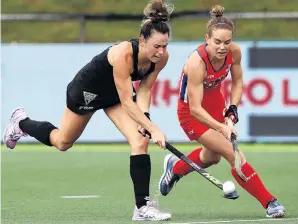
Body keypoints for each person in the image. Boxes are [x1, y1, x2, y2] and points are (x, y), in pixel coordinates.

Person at [3, 0, 174, 221]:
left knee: (139, 141)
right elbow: (127, 101)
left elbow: (144, 90)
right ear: (142, 41)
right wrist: (153, 128)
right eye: (156, 46)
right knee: (63, 142)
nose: (161, 52)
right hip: (87, 90)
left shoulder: (160, 59)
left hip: (113, 95)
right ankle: (21, 123)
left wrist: (146, 120)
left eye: (165, 46)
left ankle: (142, 207)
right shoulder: (124, 54)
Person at [158, 5, 285, 218]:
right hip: (191, 113)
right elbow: (195, 109)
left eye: (227, 42)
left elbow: (237, 82)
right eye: (217, 42)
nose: (222, 47)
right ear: (207, 38)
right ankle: (270, 202)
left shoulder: (234, 52)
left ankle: (176, 168)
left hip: (216, 103)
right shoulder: (196, 63)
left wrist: (233, 109)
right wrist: (221, 128)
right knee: (231, 153)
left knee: (211, 157)